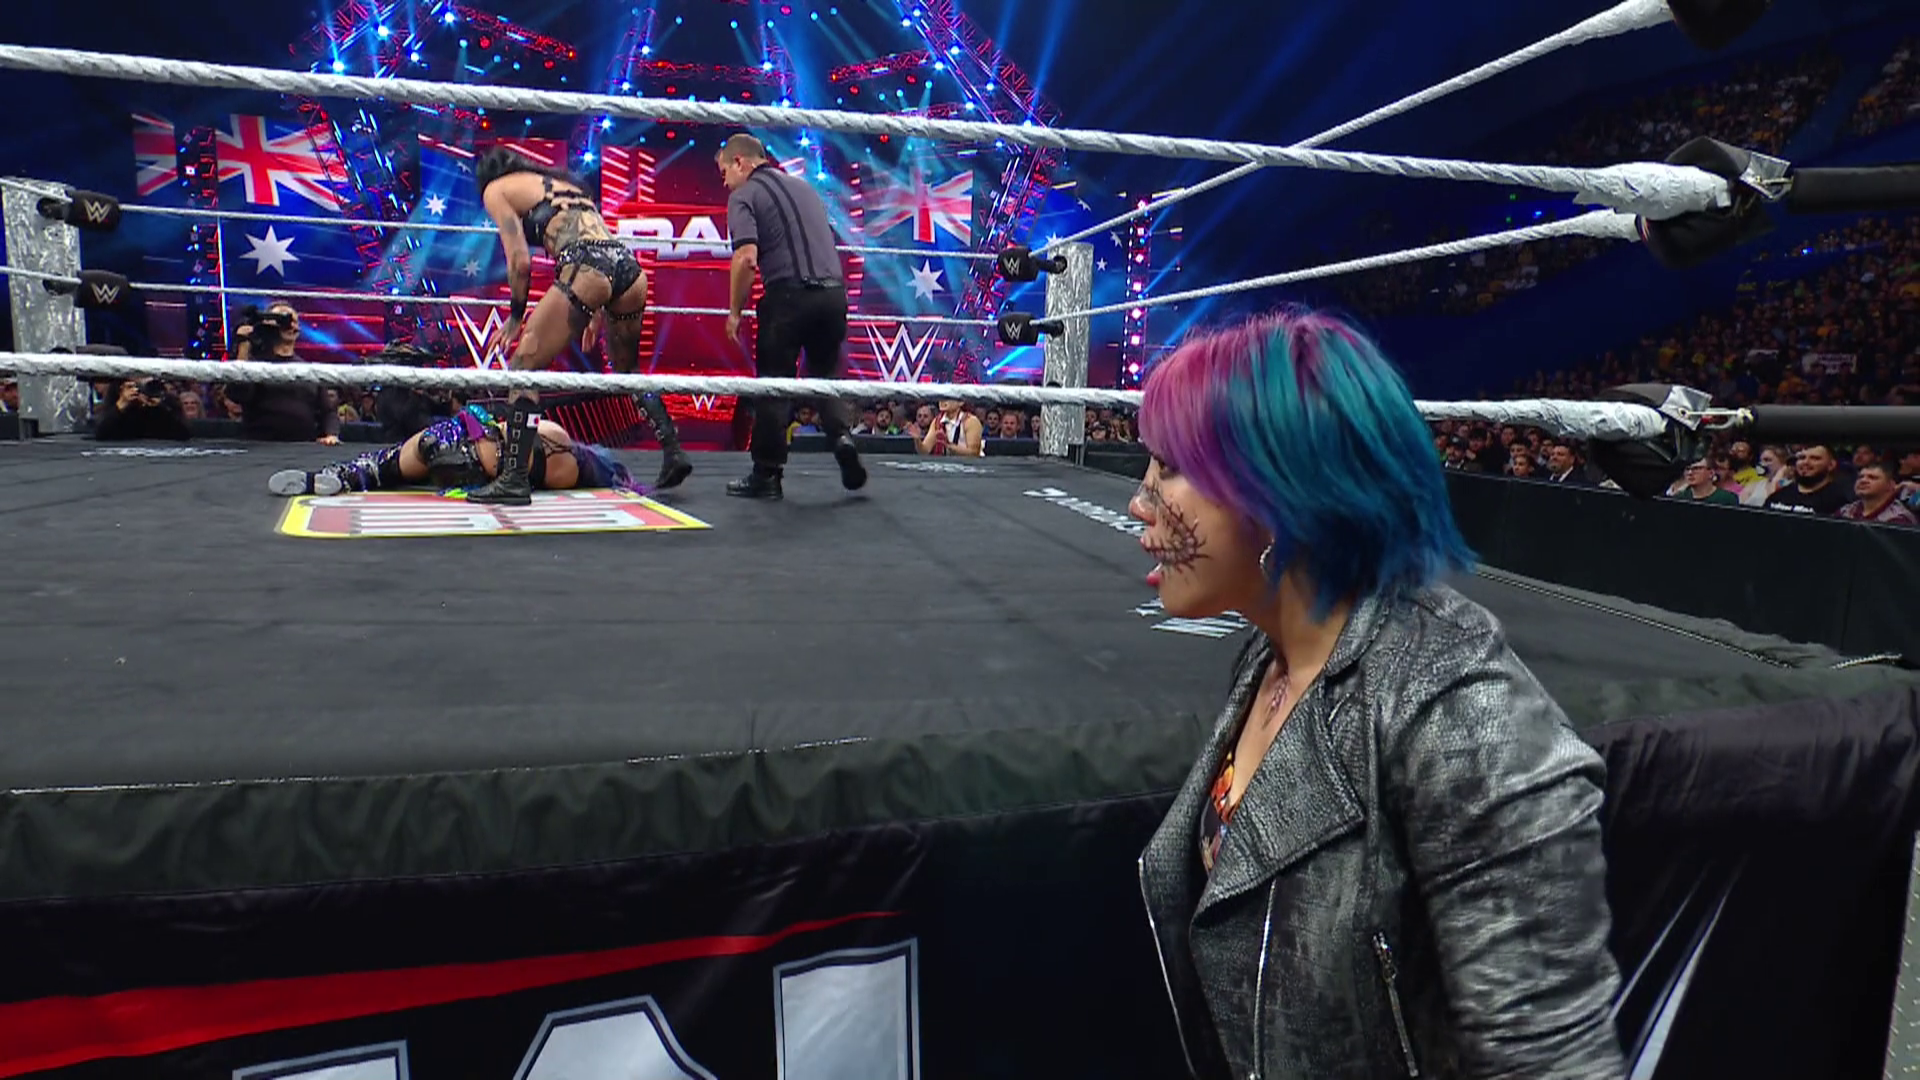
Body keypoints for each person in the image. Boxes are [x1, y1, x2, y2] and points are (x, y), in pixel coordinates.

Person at [1130, 308, 1625, 1080]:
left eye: (1168, 468)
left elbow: (1550, 1059)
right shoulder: (1272, 657)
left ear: (1275, 491)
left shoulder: (1462, 713)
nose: (1141, 500)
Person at [467, 146, 690, 505]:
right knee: (627, 369)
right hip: (627, 268)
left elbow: (520, 261)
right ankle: (673, 449)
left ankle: (514, 477)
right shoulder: (564, 185)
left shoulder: (497, 190)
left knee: (523, 368)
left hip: (587, 267)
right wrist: (596, 308)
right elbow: (599, 242)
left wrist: (515, 317)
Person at [715, 132, 866, 500]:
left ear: (740, 163)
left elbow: (746, 258)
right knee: (824, 375)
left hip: (788, 297)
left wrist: (734, 312)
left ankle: (766, 474)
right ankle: (842, 438)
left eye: (724, 172)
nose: (724, 182)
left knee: (773, 385)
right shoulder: (805, 188)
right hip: (833, 295)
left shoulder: (743, 196)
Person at [267, 403, 636, 498]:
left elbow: (518, 421)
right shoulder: (565, 469)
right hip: (475, 464)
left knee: (389, 463)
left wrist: (479, 422)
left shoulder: (559, 443)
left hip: (469, 445)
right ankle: (341, 476)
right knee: (404, 462)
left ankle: (340, 475)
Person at [224, 301, 341, 445]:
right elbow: (237, 394)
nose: (289, 325)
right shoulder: (256, 364)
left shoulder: (308, 369)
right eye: (282, 319)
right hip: (260, 447)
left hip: (303, 449)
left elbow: (328, 412)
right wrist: (244, 344)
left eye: (293, 321)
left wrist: (331, 435)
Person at [915, 399, 983, 457]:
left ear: (960, 402)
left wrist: (948, 445)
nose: (942, 401)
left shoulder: (970, 421)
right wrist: (917, 439)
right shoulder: (937, 421)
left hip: (967, 466)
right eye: (941, 398)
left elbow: (973, 453)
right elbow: (925, 451)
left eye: (947, 398)